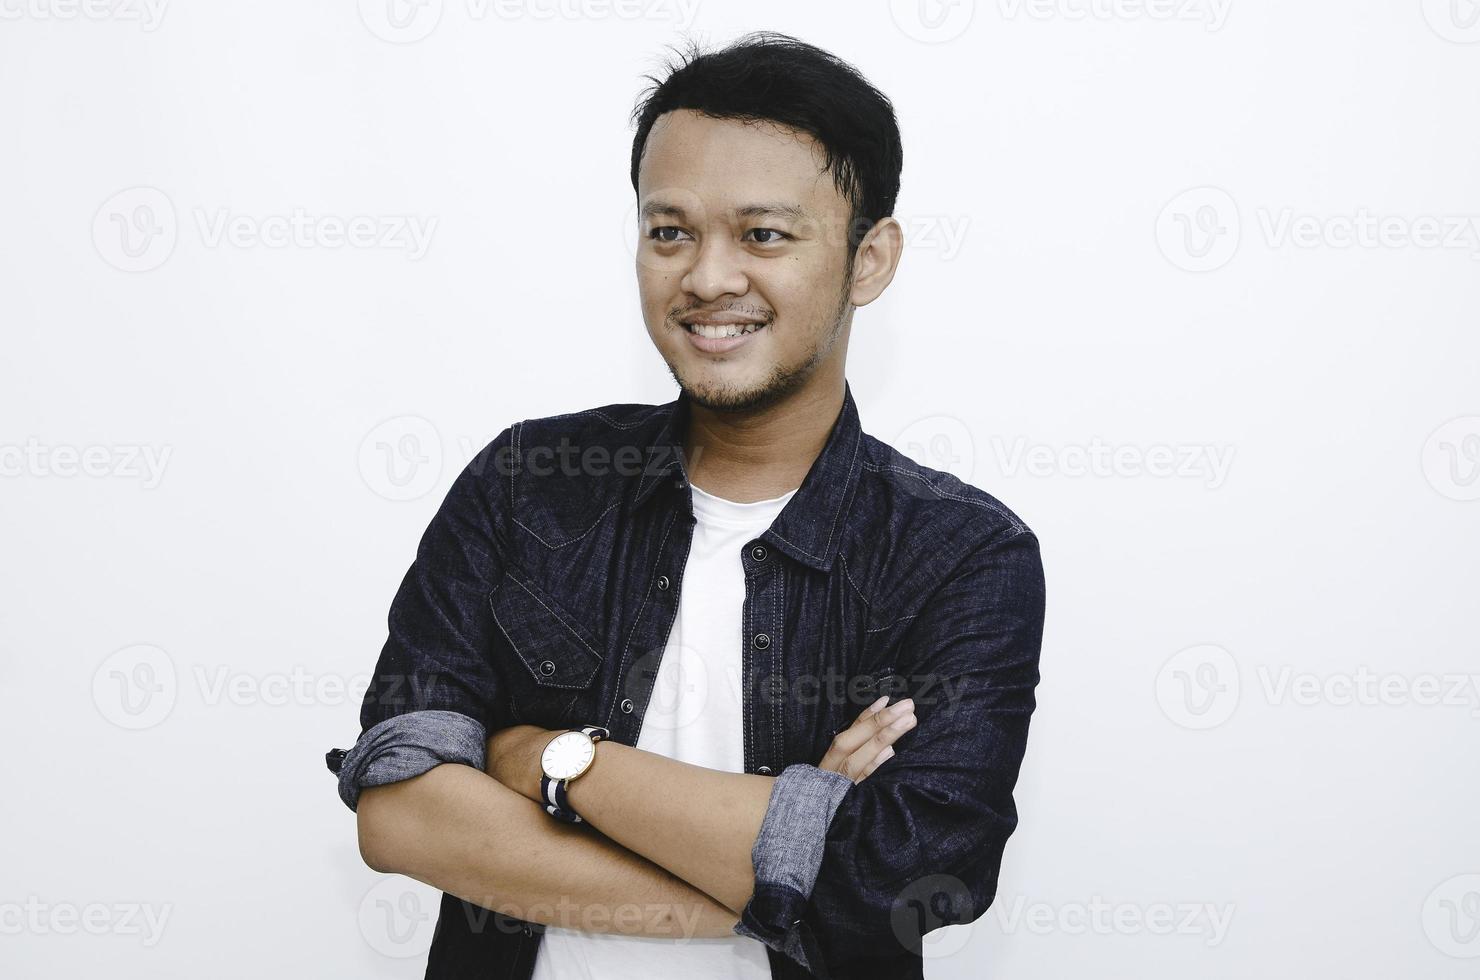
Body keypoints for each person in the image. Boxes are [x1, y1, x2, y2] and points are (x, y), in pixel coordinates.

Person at [326, 31, 1046, 980]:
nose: (708, 278)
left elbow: (914, 876)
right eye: (671, 231)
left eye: (764, 234)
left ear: (870, 260)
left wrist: (551, 760)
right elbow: (399, 812)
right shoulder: (527, 483)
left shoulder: (958, 553)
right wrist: (781, 882)